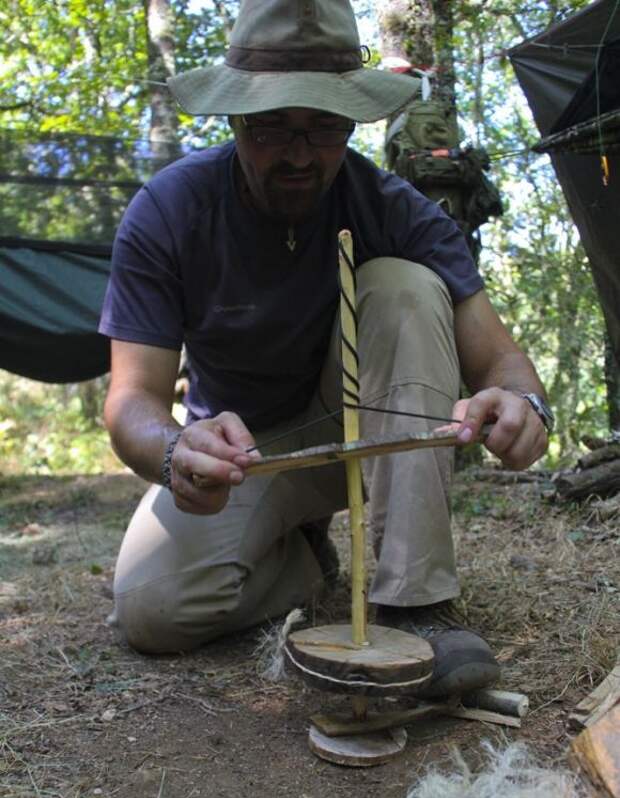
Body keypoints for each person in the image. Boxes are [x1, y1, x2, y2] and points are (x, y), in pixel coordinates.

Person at [99, 0, 553, 698]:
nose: (300, 155)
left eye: (324, 128)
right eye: (273, 127)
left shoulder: (391, 206)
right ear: (234, 119)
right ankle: (306, 561)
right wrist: (172, 450)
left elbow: (502, 361)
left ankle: (416, 606)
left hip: (375, 430)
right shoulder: (170, 211)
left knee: (403, 285)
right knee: (154, 609)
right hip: (242, 458)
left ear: (352, 123)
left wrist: (523, 404)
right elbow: (131, 400)